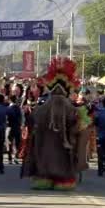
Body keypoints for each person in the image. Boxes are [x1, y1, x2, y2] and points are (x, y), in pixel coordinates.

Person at [22, 57, 82, 190]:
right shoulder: (71, 108)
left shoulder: (42, 108)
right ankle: (61, 181)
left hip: (45, 144)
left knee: (45, 157)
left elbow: (31, 121)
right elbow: (77, 127)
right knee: (60, 160)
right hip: (62, 144)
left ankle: (45, 179)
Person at [6, 93, 23, 165]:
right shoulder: (18, 108)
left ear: (10, 100)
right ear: (15, 100)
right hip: (17, 127)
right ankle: (15, 157)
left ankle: (9, 158)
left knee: (9, 143)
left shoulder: (8, 108)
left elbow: (6, 118)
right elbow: (21, 118)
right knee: (17, 143)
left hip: (9, 127)